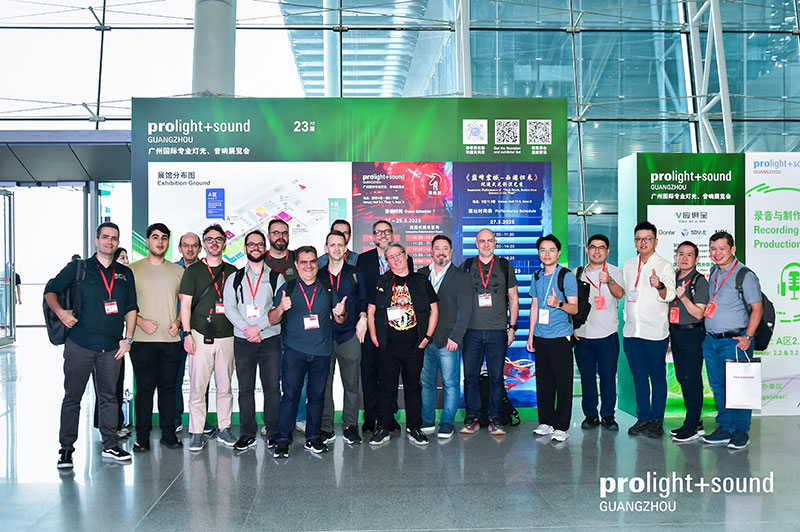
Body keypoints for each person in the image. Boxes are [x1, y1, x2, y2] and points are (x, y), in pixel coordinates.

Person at [45, 222, 138, 468]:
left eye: (114, 238)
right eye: (105, 237)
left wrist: (128, 338)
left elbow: (131, 307)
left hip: (112, 347)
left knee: (109, 398)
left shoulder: (125, 273)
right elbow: (50, 290)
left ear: (118, 242)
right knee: (72, 397)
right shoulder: (79, 268)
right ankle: (66, 449)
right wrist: (61, 313)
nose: (109, 241)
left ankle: (110, 445)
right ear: (97, 240)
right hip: (80, 344)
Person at [270, 246, 348, 458]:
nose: (309, 266)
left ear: (317, 263)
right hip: (294, 352)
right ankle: (283, 440)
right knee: (290, 396)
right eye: (303, 262)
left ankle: (313, 438)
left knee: (317, 397)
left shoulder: (327, 287)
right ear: (296, 265)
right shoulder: (288, 288)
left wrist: (341, 313)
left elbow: (340, 318)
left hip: (322, 352)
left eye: (312, 261)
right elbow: (272, 319)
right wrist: (281, 308)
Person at [367, 243, 438, 446]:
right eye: (390, 257)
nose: (395, 259)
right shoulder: (381, 281)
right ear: (387, 262)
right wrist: (374, 335)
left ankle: (414, 428)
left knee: (413, 388)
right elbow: (371, 311)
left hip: (414, 346)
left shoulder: (420, 280)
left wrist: (427, 337)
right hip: (388, 346)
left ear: (406, 256)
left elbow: (434, 310)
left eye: (398, 254)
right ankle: (383, 428)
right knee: (385, 388)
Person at [223, 229, 284, 451]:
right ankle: (247, 433)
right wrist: (247, 330)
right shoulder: (235, 278)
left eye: (259, 244)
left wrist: (258, 328)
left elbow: (279, 309)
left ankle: (273, 432)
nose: (255, 247)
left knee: (272, 388)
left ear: (265, 248)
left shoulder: (276, 277)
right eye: (251, 244)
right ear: (245, 248)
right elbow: (229, 308)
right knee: (245, 389)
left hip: (269, 339)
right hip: (243, 340)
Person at [178, 224, 238, 451]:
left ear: (224, 243)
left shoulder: (233, 271)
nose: (214, 243)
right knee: (198, 387)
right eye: (210, 239)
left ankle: (224, 428)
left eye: (218, 239)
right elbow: (185, 305)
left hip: (227, 337)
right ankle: (196, 432)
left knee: (225, 387)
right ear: (204, 244)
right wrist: (187, 334)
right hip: (199, 336)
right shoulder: (193, 271)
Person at [701, 231, 763, 450]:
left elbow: (757, 308)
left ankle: (740, 431)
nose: (717, 253)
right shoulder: (713, 272)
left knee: (739, 387)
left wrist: (748, 337)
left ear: (732, 249)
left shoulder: (744, 274)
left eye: (722, 248)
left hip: (735, 341)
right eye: (713, 249)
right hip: (712, 341)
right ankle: (725, 427)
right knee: (718, 386)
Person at [128, 223, 185, 451]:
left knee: (168, 389)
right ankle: (142, 437)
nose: (159, 242)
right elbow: (125, 304)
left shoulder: (178, 271)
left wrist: (178, 322)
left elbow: (186, 304)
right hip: (142, 341)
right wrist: (140, 321)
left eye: (164, 238)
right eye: (155, 237)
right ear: (147, 241)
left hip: (171, 341)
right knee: (144, 389)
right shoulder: (132, 270)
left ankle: (168, 435)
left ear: (168, 242)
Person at [459, 228, 519, 435]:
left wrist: (512, 328)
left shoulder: (504, 266)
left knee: (496, 377)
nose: (486, 244)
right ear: (476, 244)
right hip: (471, 331)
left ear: (495, 243)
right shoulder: (467, 266)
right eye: (482, 241)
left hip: (497, 331)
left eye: (489, 241)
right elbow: (458, 299)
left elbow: (513, 298)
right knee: (470, 376)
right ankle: (472, 417)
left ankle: (495, 417)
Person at [355, 220, 413, 433]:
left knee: (390, 373)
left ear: (392, 234)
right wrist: (363, 316)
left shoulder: (406, 259)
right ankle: (371, 417)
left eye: (386, 231)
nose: (382, 235)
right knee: (369, 371)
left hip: (396, 325)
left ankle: (389, 416)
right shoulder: (364, 260)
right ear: (373, 237)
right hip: (371, 322)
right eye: (378, 232)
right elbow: (361, 291)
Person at [622, 221, 676, 438]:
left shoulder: (664, 266)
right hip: (632, 332)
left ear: (655, 241)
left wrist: (659, 285)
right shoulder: (628, 265)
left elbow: (670, 294)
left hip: (655, 333)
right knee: (639, 377)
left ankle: (657, 420)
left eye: (647, 239)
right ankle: (643, 417)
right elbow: (627, 294)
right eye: (638, 239)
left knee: (657, 377)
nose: (642, 242)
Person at [416, 235, 471, 439]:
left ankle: (447, 422)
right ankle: (427, 420)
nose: (441, 252)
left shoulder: (461, 277)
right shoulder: (421, 274)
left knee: (451, 384)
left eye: (445, 248)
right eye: (437, 248)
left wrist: (456, 337)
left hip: (448, 340)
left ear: (451, 251)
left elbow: (465, 310)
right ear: (431, 251)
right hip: (425, 340)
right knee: (426, 383)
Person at [527, 234, 578, 442]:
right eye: (543, 250)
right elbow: (534, 306)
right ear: (538, 253)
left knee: (563, 384)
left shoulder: (566, 276)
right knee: (544, 382)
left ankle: (562, 426)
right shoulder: (537, 276)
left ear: (558, 253)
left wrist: (558, 303)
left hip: (560, 337)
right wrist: (531, 335)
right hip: (541, 337)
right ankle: (546, 422)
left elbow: (574, 308)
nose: (546, 254)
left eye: (551, 250)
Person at [573, 234, 625, 431]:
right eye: (593, 247)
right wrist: (572, 328)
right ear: (587, 250)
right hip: (583, 335)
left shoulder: (615, 271)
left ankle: (608, 415)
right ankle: (591, 415)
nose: (597, 251)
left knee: (608, 377)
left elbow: (620, 294)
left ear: (607, 251)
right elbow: (571, 302)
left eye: (601, 247)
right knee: (587, 378)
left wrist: (609, 280)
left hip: (607, 335)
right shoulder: (577, 273)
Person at [319, 230, 363, 445]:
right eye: (332, 245)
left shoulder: (355, 273)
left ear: (345, 248)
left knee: (351, 385)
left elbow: (364, 300)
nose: (336, 248)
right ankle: (326, 427)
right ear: (326, 248)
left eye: (340, 245)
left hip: (349, 336)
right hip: (324, 339)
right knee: (323, 385)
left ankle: (350, 426)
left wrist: (363, 317)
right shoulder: (318, 274)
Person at [667, 241, 710, 443]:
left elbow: (699, 314)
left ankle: (691, 426)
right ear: (676, 257)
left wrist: (684, 297)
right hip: (675, 333)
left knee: (692, 378)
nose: (684, 258)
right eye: (681, 254)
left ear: (697, 259)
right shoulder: (673, 278)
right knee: (681, 377)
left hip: (693, 334)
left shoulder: (699, 281)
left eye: (689, 255)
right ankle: (694, 421)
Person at [174, 232, 216, 436]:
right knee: (175, 377)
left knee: (201, 380)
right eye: (185, 245)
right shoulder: (173, 270)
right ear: (179, 248)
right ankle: (175, 419)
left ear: (200, 248)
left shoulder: (207, 270)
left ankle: (201, 421)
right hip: (175, 332)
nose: (189, 249)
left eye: (194, 245)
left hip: (199, 331)